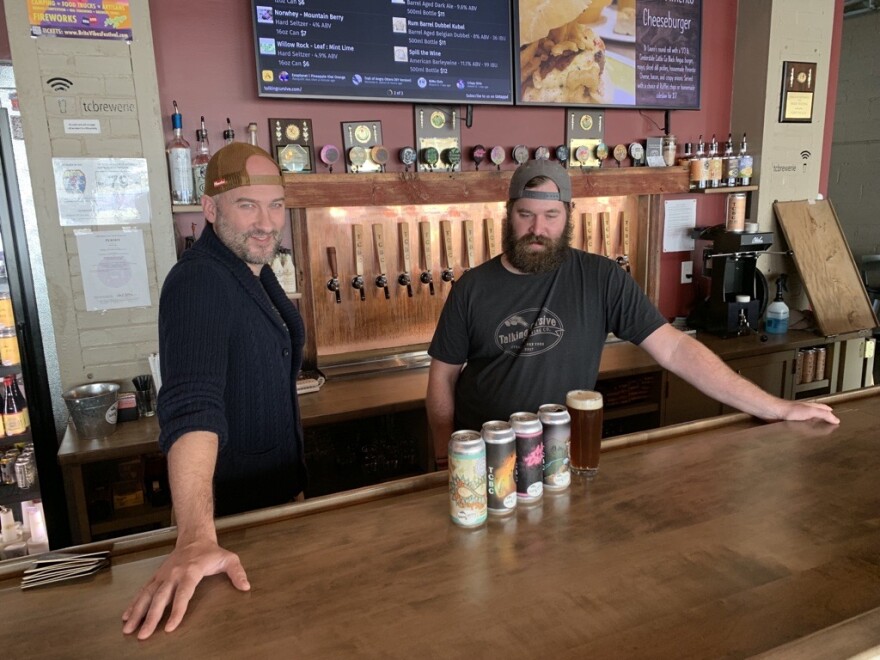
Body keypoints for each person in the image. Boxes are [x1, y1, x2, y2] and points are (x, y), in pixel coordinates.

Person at [426, 159, 839, 464]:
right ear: (508, 215)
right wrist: (447, 457)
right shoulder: (473, 287)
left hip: (563, 455)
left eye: (551, 215)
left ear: (569, 217)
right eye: (526, 215)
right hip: (483, 455)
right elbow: (442, 378)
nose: (538, 228)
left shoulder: (601, 278)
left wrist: (777, 408)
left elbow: (675, 350)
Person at [122, 143, 306, 639]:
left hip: (270, 507)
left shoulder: (252, 271)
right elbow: (191, 407)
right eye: (247, 205)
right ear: (210, 209)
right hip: (231, 525)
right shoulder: (199, 280)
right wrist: (197, 539)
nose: (267, 222)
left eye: (275, 205)